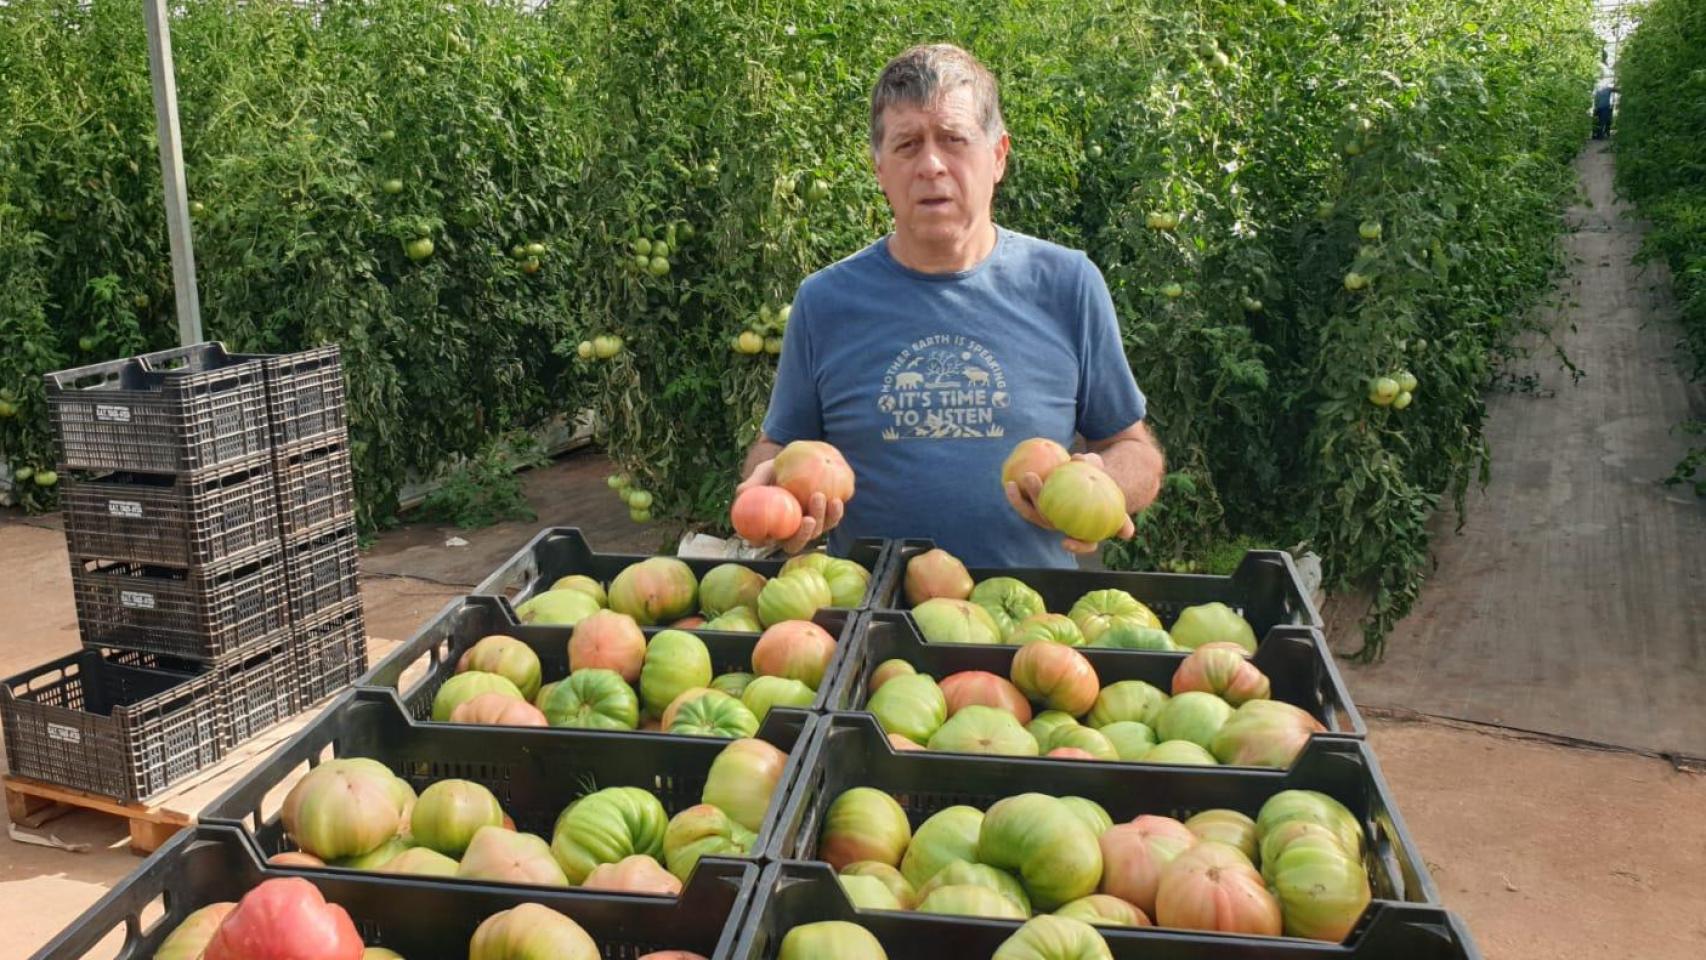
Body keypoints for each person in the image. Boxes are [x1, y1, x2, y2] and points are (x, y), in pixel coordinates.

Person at [735, 43, 1165, 569]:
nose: (931, 165)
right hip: (870, 620)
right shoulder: (826, 301)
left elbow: (1132, 445)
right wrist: (769, 489)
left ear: (999, 156)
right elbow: (777, 445)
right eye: (907, 145)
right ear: (879, 170)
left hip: (1031, 627)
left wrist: (1106, 487)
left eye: (953, 140)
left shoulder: (1066, 284)